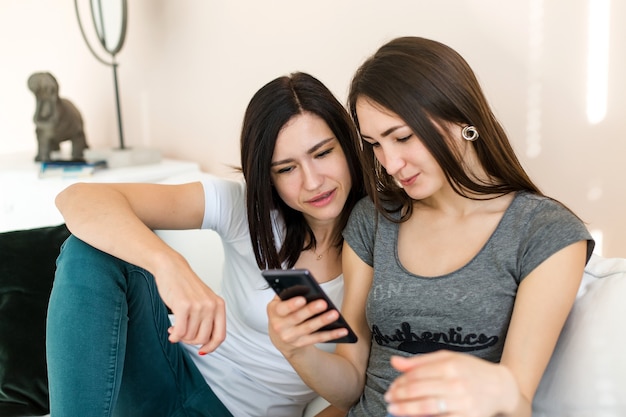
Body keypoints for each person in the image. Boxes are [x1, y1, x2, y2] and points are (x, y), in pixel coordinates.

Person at [267, 37, 595, 417]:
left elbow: (515, 402)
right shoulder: (373, 218)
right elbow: (351, 386)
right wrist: (295, 350)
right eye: (374, 144)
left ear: (461, 118)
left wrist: (492, 389)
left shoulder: (543, 232)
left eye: (403, 137)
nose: (389, 164)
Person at [46, 71, 365, 417]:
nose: (313, 182)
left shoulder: (377, 248)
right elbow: (77, 197)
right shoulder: (247, 210)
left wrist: (295, 349)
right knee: (89, 250)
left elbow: (353, 396)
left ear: (348, 144)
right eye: (286, 169)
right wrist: (169, 265)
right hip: (167, 369)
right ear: (267, 177)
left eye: (322, 153)